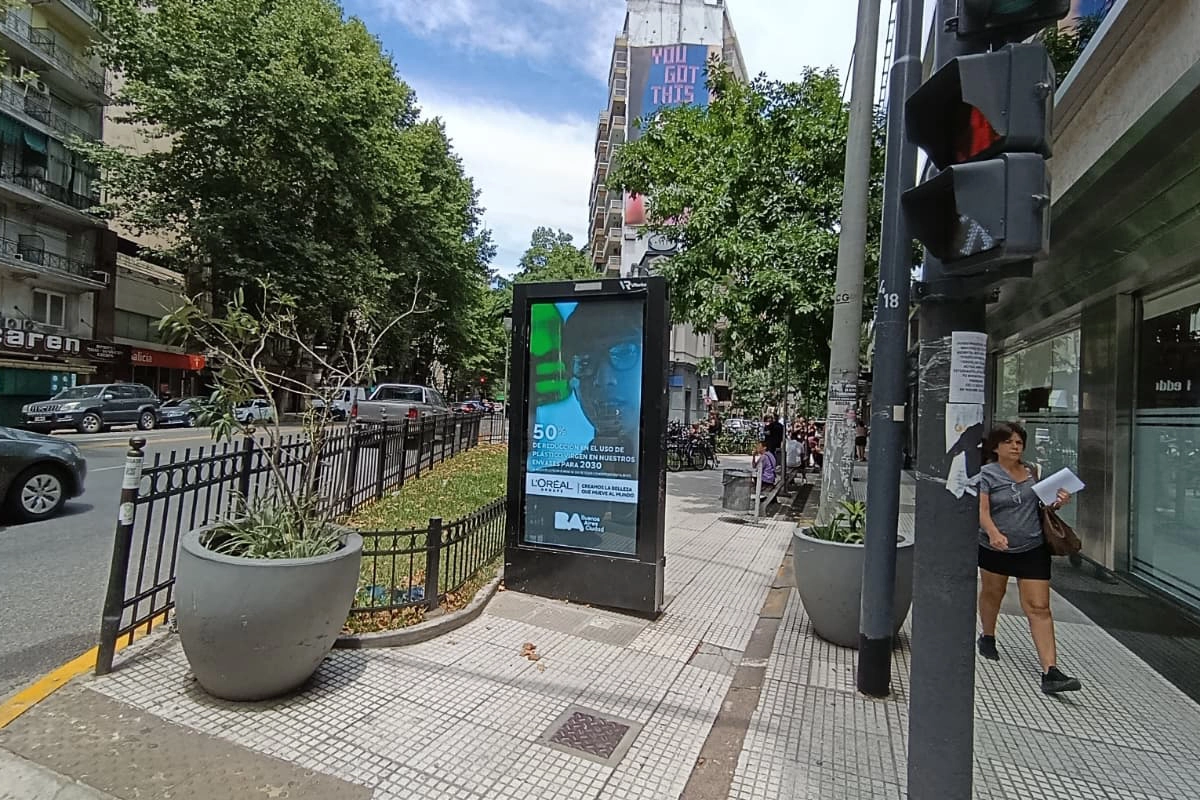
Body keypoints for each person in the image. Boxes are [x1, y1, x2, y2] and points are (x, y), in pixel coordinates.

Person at [977, 421, 1081, 694]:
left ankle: (1051, 671)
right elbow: (982, 511)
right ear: (996, 446)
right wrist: (993, 533)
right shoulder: (986, 474)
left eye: (1019, 443)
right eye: (1009, 442)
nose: (1015, 447)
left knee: (1039, 606)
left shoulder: (1033, 471)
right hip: (996, 548)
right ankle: (987, 635)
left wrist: (1058, 501)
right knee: (993, 594)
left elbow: (1044, 505)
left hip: (1033, 546)